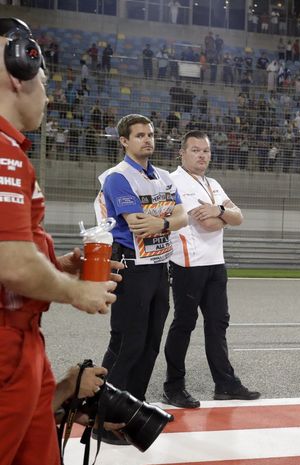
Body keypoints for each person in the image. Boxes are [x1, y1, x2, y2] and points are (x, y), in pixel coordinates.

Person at [0, 17, 118, 465]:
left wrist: (61, 264)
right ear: (18, 75)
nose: (48, 95)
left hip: (24, 342)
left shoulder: (11, 151)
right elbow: (10, 264)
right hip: (6, 344)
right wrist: (76, 291)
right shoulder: (3, 153)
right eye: (45, 83)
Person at [94, 113, 187, 445]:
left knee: (150, 344)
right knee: (125, 344)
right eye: (139, 135)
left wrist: (162, 222)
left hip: (160, 268)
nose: (147, 139)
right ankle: (102, 419)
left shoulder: (162, 177)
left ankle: (131, 412)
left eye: (150, 134)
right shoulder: (117, 178)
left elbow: (182, 215)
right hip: (130, 266)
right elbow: (136, 223)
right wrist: (167, 218)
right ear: (124, 141)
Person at [161, 131, 260, 409]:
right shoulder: (174, 181)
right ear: (182, 153)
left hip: (216, 264)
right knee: (184, 324)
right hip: (187, 265)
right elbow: (208, 223)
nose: (202, 155)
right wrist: (223, 213)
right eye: (195, 150)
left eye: (205, 151)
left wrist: (218, 210)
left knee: (218, 324)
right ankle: (173, 386)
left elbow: (237, 217)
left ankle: (225, 384)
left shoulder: (212, 183)